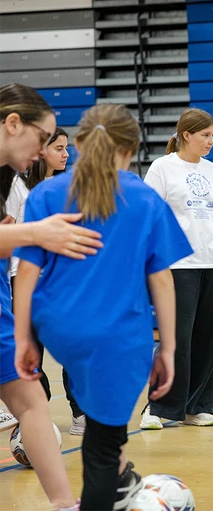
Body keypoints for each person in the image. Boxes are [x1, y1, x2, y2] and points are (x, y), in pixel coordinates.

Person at [14, 103, 191, 511]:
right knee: (101, 451)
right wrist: (167, 349)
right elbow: (162, 280)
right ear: (131, 149)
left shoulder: (46, 193)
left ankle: (120, 473)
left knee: (92, 400)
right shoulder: (144, 198)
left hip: (57, 325)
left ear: (77, 144)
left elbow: (25, 272)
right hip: (116, 334)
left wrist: (25, 337)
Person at [0, 82, 102, 511]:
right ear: (12, 123)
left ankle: (64, 503)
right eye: (42, 139)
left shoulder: (9, 177)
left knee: (32, 401)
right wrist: (34, 232)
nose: (44, 151)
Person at [140, 108, 213, 430]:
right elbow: (148, 219)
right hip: (178, 266)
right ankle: (157, 407)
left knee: (207, 339)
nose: (211, 141)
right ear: (186, 135)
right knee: (175, 339)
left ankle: (198, 406)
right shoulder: (162, 168)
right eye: (205, 136)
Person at [5, 127, 86, 434]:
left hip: (61, 280)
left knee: (72, 346)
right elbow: (8, 232)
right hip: (25, 279)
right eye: (59, 148)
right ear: (41, 151)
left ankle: (81, 413)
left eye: (67, 148)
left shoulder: (66, 188)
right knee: (29, 350)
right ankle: (34, 411)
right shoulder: (17, 186)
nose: (66, 154)